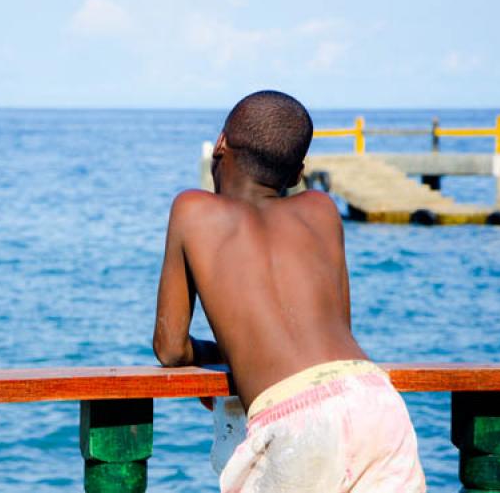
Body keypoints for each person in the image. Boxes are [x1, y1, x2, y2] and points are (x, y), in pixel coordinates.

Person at [153, 90, 426, 492]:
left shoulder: (192, 209)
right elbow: (333, 326)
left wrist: (222, 351)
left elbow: (170, 349)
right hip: (373, 400)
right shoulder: (321, 209)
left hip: (296, 421)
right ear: (298, 173)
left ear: (222, 143)